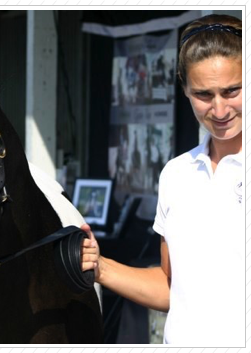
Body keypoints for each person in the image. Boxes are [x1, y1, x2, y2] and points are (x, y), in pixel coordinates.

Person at [81, 14, 243, 346]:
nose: (220, 108)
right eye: (203, 94)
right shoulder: (176, 174)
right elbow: (171, 287)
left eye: (232, 90)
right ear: (184, 88)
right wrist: (100, 266)